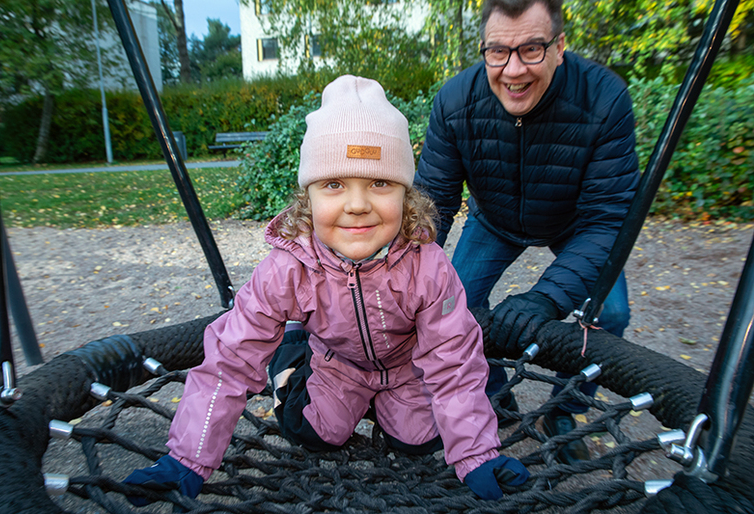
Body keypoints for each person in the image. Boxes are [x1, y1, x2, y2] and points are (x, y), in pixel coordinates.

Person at [123, 75, 530, 505]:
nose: (357, 204)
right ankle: (293, 351)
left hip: (406, 367)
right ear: (309, 196)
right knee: (314, 432)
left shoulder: (427, 266)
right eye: (334, 184)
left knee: (419, 440)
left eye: (379, 183)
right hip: (337, 363)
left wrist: (475, 454)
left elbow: (452, 361)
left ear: (406, 195)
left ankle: (384, 404)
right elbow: (230, 358)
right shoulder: (289, 268)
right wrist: (189, 459)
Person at [414, 0, 640, 465]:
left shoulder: (605, 98)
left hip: (578, 222)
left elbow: (606, 219)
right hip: (495, 219)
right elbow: (432, 201)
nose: (513, 69)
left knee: (611, 313)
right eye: (498, 51)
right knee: (453, 306)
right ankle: (497, 394)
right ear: (484, 50)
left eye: (531, 49)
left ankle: (565, 409)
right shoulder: (456, 101)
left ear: (560, 46)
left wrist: (544, 299)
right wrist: (403, 275)